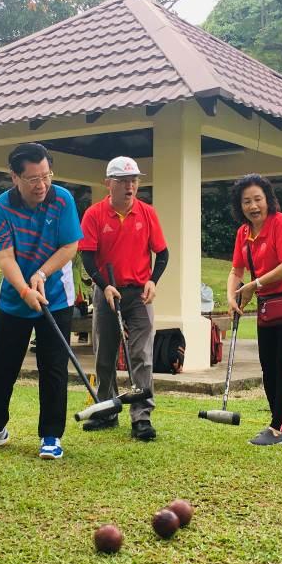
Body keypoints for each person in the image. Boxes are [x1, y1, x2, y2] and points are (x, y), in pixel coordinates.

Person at [0, 143, 82, 459]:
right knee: (1, 365)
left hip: (56, 297)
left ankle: (51, 435)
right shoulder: (1, 208)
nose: (41, 185)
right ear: (15, 177)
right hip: (15, 297)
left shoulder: (63, 199)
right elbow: (4, 255)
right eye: (33, 179)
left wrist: (41, 273)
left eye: (46, 176)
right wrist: (25, 290)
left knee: (53, 366)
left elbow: (70, 247)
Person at [78, 156, 169, 440]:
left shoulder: (147, 213)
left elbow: (162, 253)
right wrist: (104, 285)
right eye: (123, 181)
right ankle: (107, 411)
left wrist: (153, 280)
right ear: (109, 184)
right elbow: (88, 256)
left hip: (139, 293)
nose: (130, 187)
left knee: (141, 355)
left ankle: (141, 417)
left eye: (134, 181)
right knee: (104, 355)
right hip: (107, 292)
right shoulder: (94, 214)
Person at [226, 174, 282, 447]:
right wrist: (232, 295)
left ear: (267, 199)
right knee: (268, 366)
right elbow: (236, 270)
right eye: (246, 201)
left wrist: (254, 284)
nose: (253, 206)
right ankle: (276, 420)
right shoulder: (243, 233)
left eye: (257, 199)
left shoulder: (280, 223)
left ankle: (278, 427)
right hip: (266, 305)